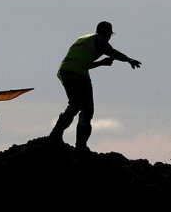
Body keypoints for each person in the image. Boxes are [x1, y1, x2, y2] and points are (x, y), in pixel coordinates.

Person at [48, 21, 142, 152]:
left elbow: (82, 62)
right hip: (79, 74)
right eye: (110, 35)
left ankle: (55, 135)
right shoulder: (100, 39)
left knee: (74, 105)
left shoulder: (83, 39)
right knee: (87, 109)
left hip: (65, 72)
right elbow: (111, 51)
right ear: (107, 33)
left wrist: (102, 63)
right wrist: (128, 59)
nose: (109, 38)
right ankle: (80, 146)